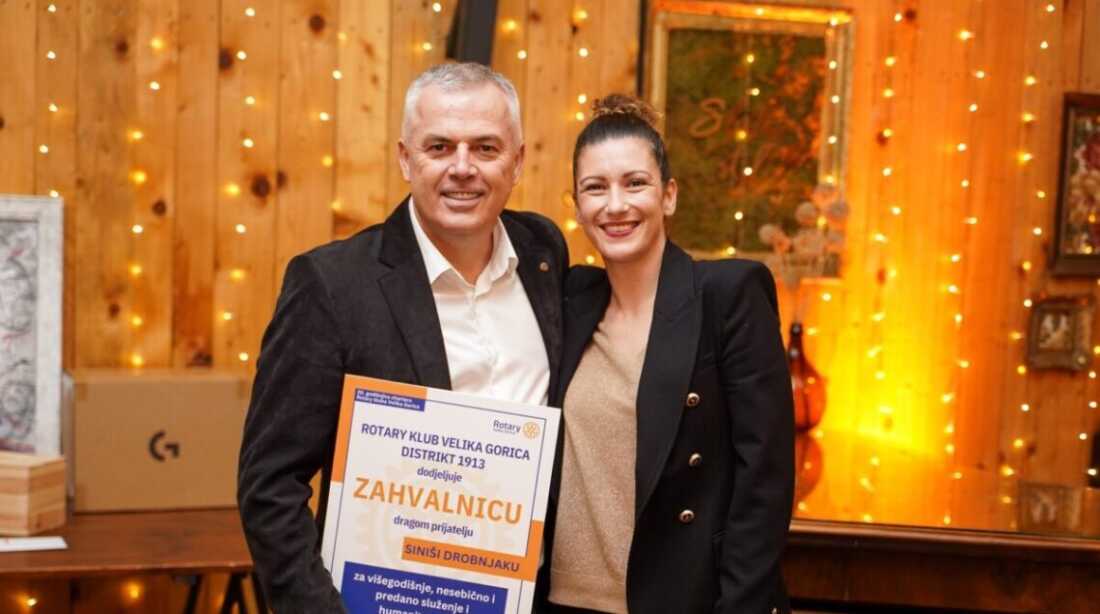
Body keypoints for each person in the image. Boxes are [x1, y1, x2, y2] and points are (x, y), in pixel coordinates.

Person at [237, 62, 569, 613]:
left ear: (517, 161)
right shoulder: (333, 285)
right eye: (439, 147)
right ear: (405, 158)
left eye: (485, 148)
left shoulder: (543, 251)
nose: (462, 168)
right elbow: (270, 484)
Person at [541, 95, 794, 614]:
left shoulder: (727, 296)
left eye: (635, 183)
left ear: (669, 195)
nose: (615, 205)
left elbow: (764, 481)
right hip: (561, 602)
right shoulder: (570, 299)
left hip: (683, 600)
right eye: (595, 188)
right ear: (577, 207)